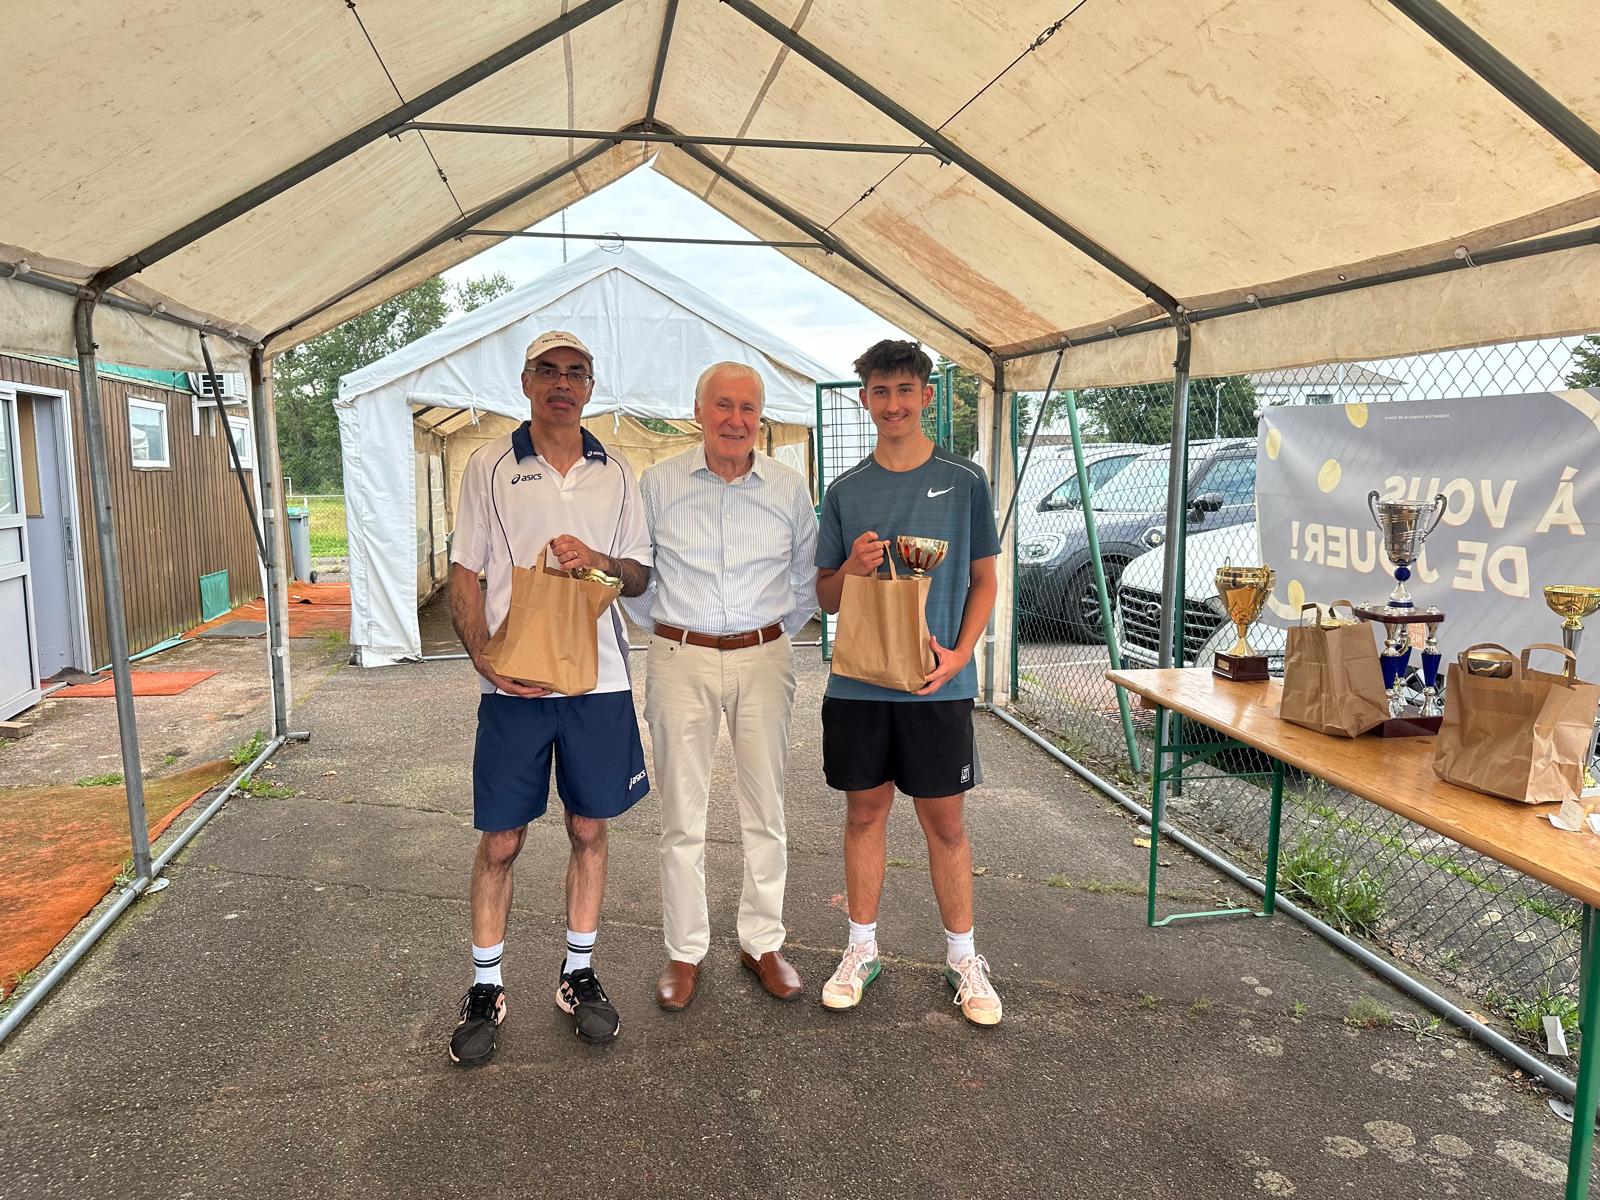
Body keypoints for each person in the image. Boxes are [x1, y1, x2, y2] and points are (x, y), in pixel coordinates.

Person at [446, 330, 653, 1065]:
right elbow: (464, 572)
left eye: (576, 373)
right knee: (502, 839)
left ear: (591, 387)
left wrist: (599, 560)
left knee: (589, 829)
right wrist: (484, 658)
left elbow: (638, 575)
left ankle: (578, 972)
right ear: (526, 381)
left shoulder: (618, 471)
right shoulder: (488, 465)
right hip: (516, 682)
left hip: (601, 682)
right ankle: (485, 985)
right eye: (549, 371)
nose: (562, 384)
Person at [813, 339, 1003, 1026]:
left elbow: (985, 579)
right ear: (864, 399)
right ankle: (860, 948)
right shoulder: (845, 490)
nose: (892, 404)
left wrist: (961, 656)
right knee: (864, 814)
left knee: (945, 824)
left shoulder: (965, 480)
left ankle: (964, 959)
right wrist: (852, 569)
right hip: (860, 686)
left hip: (935, 686)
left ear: (926, 396)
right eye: (880, 391)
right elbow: (825, 599)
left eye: (904, 390)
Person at [628, 362, 819, 1011]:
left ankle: (762, 942)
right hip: (679, 657)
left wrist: (767, 636)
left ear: (760, 417)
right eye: (723, 405)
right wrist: (675, 633)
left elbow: (805, 581)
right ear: (698, 411)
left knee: (766, 807)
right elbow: (640, 580)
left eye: (748, 408)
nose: (736, 420)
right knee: (681, 815)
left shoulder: (788, 487)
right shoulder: (658, 484)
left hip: (763, 657)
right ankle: (685, 951)